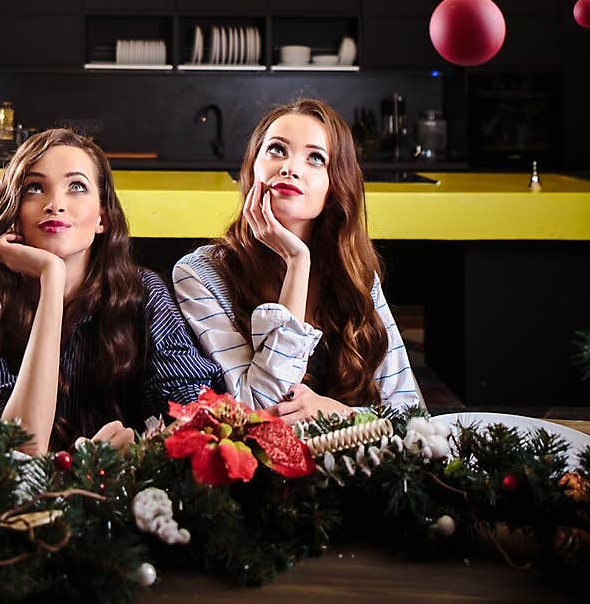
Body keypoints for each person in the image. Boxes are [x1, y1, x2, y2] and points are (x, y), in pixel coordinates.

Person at [0, 128, 222, 452]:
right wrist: (50, 279)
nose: (55, 204)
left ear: (103, 219)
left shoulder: (143, 294)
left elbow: (195, 410)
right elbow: (15, 452)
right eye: (35, 188)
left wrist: (142, 444)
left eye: (77, 187)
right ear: (13, 211)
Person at [172, 98, 422, 424]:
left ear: (335, 186)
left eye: (315, 158)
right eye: (277, 150)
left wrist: (342, 415)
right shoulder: (200, 274)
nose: (290, 167)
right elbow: (261, 414)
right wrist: (297, 260)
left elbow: (412, 416)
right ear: (250, 170)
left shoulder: (354, 273)